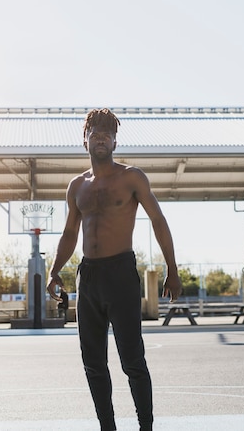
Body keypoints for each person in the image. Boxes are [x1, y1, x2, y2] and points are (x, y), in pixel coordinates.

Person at [47, 108, 182, 431]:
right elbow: (69, 233)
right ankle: (107, 426)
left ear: (115, 141)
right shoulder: (76, 186)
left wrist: (172, 269)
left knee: (132, 360)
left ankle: (145, 426)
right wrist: (54, 271)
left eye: (107, 133)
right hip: (88, 276)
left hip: (121, 273)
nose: (102, 137)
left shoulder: (131, 177)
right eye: (95, 132)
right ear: (86, 141)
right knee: (93, 362)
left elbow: (158, 220)